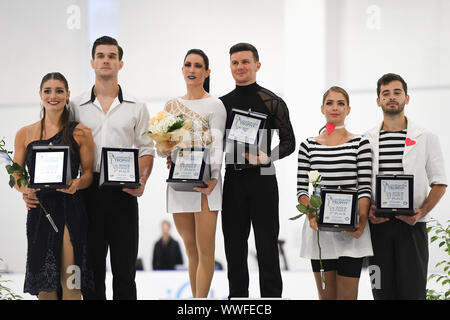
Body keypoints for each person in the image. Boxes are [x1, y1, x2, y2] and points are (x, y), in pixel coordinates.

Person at [70, 36, 155, 300]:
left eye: (111, 56)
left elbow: (146, 148)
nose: (106, 60)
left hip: (123, 192)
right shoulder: (75, 106)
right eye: (101, 56)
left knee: (125, 269)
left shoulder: (137, 106)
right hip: (87, 192)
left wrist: (141, 180)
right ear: (92, 62)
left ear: (121, 63)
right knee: (91, 270)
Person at [219, 43, 296, 298]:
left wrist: (268, 156)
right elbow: (213, 144)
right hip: (233, 178)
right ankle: (237, 299)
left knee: (266, 246)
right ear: (230, 66)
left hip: (263, 178)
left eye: (245, 62)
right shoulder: (222, 104)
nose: (240, 67)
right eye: (235, 62)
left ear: (257, 65)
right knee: (234, 247)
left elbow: (289, 143)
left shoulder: (271, 101)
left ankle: (271, 299)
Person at [365, 73, 447, 300]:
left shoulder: (427, 137)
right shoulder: (366, 140)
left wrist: (423, 211)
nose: (392, 97)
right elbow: (361, 183)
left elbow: (439, 182)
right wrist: (368, 209)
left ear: (407, 98)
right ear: (378, 100)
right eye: (386, 93)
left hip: (412, 228)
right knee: (380, 291)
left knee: (413, 293)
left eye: (397, 92)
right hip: (377, 229)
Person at [13, 72, 94, 300]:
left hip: (71, 210)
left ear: (67, 95)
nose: (53, 96)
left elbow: (88, 174)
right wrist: (24, 189)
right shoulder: (25, 133)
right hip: (40, 212)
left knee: (71, 281)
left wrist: (78, 183)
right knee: (45, 288)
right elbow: (17, 174)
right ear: (40, 95)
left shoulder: (81, 132)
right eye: (47, 91)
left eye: (59, 90)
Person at [297, 86, 373, 300]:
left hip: (351, 233)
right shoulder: (308, 145)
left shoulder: (360, 143)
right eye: (330, 103)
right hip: (320, 233)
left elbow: (365, 187)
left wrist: (362, 220)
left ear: (348, 109)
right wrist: (311, 215)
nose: (335, 107)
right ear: (322, 108)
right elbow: (302, 189)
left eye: (341, 103)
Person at [162, 49, 226, 298]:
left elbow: (218, 143)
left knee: (205, 249)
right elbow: (164, 143)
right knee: (190, 250)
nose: (192, 69)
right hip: (179, 182)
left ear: (206, 72)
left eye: (198, 66)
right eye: (188, 64)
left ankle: (201, 302)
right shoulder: (171, 105)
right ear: (182, 69)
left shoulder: (215, 104)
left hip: (206, 183)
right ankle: (194, 300)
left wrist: (214, 177)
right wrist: (168, 154)